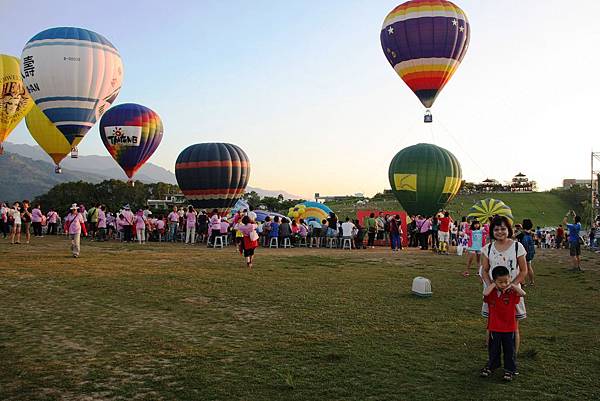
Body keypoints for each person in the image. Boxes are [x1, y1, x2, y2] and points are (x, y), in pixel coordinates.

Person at [481, 216, 528, 354]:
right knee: (491, 326)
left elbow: (523, 270)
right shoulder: (487, 249)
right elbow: (484, 270)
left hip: (512, 292)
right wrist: (491, 286)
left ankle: (512, 360)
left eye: (503, 228)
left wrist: (511, 286)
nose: (500, 232)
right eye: (496, 229)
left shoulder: (517, 247)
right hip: (493, 294)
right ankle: (492, 360)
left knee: (513, 326)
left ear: (509, 230)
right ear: (492, 231)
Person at [479, 265, 526, 382]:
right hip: (494, 327)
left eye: (506, 281)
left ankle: (509, 369)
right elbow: (485, 293)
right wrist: (494, 285)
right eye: (501, 282)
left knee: (509, 350)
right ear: (495, 281)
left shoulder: (511, 293)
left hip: (509, 328)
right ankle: (492, 365)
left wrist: (513, 285)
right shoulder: (492, 294)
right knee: (493, 349)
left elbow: (523, 293)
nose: (504, 284)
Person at [516, 219, 536, 286]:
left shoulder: (520, 233)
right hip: (530, 252)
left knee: (521, 268)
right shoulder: (531, 233)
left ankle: (523, 282)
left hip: (522, 252)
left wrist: (519, 230)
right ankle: (532, 281)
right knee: (529, 267)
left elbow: (513, 236)